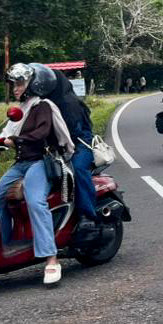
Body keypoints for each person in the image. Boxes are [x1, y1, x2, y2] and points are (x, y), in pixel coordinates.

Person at [0, 62, 75, 285]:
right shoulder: (22, 109)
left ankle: (51, 259)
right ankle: (3, 248)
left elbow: (41, 133)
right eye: (14, 84)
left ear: (34, 83)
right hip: (21, 163)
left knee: (35, 200)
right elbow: (5, 133)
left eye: (19, 83)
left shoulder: (43, 106)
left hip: (41, 161)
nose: (15, 88)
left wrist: (15, 140)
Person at [40, 64, 98, 225]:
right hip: (59, 147)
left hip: (81, 144)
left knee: (77, 168)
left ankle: (87, 215)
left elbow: (74, 132)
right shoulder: (47, 102)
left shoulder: (68, 103)